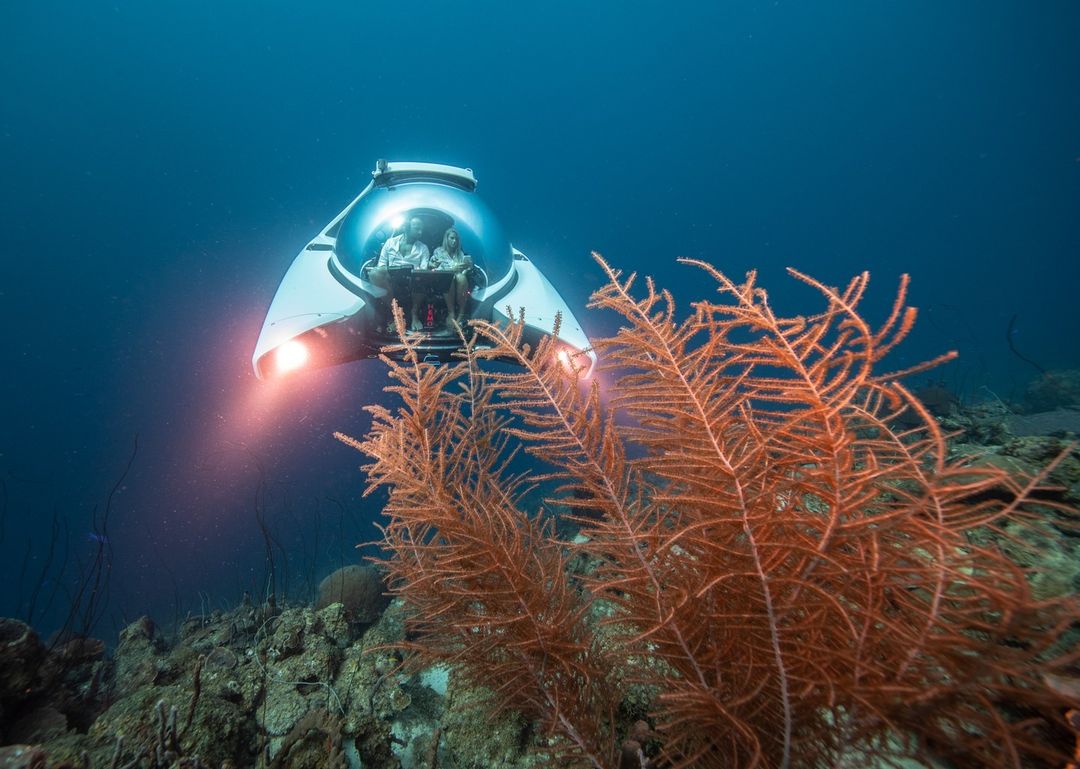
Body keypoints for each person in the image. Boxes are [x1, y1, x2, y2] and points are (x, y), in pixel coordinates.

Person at [368, 216, 431, 331]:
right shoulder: (390, 243)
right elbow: (381, 264)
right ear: (406, 227)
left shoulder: (423, 248)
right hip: (391, 280)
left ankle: (414, 314)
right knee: (374, 273)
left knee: (422, 277)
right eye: (417, 228)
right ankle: (396, 315)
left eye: (422, 229)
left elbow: (423, 269)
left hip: (413, 280)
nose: (420, 232)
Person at [428, 227, 473, 326]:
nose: (454, 241)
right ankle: (451, 312)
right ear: (446, 239)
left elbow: (465, 269)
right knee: (450, 277)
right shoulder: (438, 252)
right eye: (452, 238)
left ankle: (461, 313)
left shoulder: (459, 253)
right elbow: (435, 268)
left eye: (456, 239)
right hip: (443, 278)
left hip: (459, 279)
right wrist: (452, 269)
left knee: (461, 277)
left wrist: (465, 268)